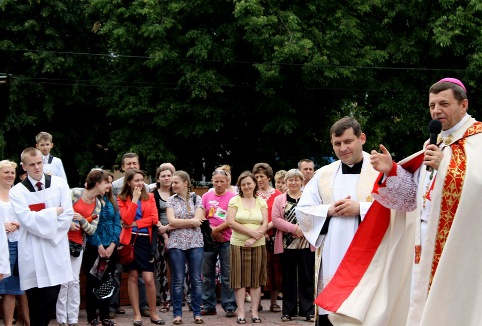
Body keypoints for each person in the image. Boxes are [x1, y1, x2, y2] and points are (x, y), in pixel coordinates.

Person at [317, 78, 482, 326]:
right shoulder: (433, 143)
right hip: (424, 242)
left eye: (444, 104)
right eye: (432, 105)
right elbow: (410, 200)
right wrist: (392, 171)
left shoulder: (477, 141)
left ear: (464, 104)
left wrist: (445, 167)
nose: (436, 111)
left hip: (460, 244)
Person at [295, 117, 378, 326]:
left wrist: (361, 208)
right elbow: (303, 211)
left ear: (362, 138)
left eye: (348, 141)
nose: (343, 148)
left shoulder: (380, 170)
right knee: (332, 314)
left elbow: (398, 209)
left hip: (371, 255)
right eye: (337, 144)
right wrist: (328, 210)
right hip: (333, 255)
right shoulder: (323, 174)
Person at [9, 147, 74, 326]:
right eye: (32, 165)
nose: (37, 167)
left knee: (51, 297)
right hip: (32, 250)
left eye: (39, 163)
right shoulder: (17, 191)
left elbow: (67, 215)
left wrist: (48, 225)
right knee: (36, 302)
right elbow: (26, 220)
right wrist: (53, 212)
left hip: (55, 246)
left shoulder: (59, 184)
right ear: (24, 167)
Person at [56, 169, 105, 326]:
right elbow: (58, 212)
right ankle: (62, 319)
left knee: (74, 280)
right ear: (97, 183)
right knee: (63, 281)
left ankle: (73, 319)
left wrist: (82, 220)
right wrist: (68, 223)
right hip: (61, 242)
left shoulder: (98, 204)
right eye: (106, 182)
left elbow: (92, 230)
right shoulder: (75, 193)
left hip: (78, 245)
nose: (109, 186)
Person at [118, 169, 164, 325]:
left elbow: (154, 219)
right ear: (129, 182)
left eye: (141, 180)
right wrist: (134, 200)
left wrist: (136, 223)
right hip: (130, 242)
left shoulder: (150, 197)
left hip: (145, 241)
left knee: (149, 279)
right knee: (132, 277)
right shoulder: (122, 199)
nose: (140, 183)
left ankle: (153, 314)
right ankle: (137, 314)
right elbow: (126, 218)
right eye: (136, 180)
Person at [110, 152, 150, 319]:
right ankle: (113, 306)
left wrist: (136, 224)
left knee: (141, 274)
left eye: (135, 163)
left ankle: (144, 306)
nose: (132, 166)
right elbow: (114, 210)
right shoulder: (115, 186)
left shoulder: (145, 186)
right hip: (121, 233)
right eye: (129, 164)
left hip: (139, 235)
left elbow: (150, 214)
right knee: (117, 272)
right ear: (123, 167)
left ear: (138, 165)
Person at [272, 168, 315, 322]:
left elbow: (315, 216)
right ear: (286, 182)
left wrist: (302, 230)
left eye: (297, 179)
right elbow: (276, 219)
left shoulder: (309, 198)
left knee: (307, 278)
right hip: (287, 245)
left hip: (305, 243)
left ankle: (308, 310)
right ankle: (288, 311)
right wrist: (293, 228)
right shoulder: (279, 200)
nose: (293, 182)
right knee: (288, 278)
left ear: (302, 181)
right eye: (290, 180)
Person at [227, 171, 268, 324]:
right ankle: (241, 312)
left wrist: (254, 237)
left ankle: (255, 312)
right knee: (240, 280)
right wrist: (250, 233)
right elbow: (231, 222)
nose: (246, 186)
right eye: (243, 184)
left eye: (249, 183)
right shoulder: (235, 201)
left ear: (254, 184)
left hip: (258, 244)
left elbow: (264, 223)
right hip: (238, 244)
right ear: (240, 186)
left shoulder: (261, 202)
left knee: (256, 280)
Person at [83, 171, 122, 326]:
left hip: (110, 246)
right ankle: (92, 316)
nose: (109, 185)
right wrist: (99, 245)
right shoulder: (91, 201)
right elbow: (88, 227)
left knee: (107, 282)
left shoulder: (112, 200)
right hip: (94, 246)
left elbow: (117, 223)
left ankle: (105, 316)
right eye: (106, 182)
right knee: (92, 282)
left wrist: (113, 244)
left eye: (110, 182)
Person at [166, 171, 205, 325]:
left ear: (185, 183)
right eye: (173, 182)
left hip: (195, 243)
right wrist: (190, 222)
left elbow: (199, 219)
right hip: (176, 243)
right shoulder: (171, 200)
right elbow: (171, 221)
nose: (173, 185)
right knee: (177, 280)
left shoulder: (197, 198)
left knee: (196, 279)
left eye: (176, 182)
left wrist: (178, 222)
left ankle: (197, 312)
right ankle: (177, 314)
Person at [200, 169, 237, 317]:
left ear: (227, 181)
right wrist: (212, 232)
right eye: (216, 181)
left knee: (227, 274)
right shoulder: (206, 196)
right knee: (207, 274)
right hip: (209, 240)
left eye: (222, 181)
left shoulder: (233, 197)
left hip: (227, 239)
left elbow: (232, 219)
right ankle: (208, 305)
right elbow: (201, 217)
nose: (219, 184)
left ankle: (229, 305)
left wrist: (217, 230)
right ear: (212, 181)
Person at [0, 160, 30, 326]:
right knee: (6, 287)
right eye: (6, 172)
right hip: (2, 245)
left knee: (18, 287)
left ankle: (22, 322)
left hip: (19, 243)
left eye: (12, 172)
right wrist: (2, 226)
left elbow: (28, 215)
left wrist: (18, 223)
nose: (10, 175)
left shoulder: (19, 194)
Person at [252, 162, 282, 313]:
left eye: (262, 176)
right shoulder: (252, 194)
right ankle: (256, 303)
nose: (259, 179)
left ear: (269, 177)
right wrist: (258, 232)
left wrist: (265, 230)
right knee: (257, 269)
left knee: (274, 268)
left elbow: (277, 216)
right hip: (254, 235)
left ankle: (274, 302)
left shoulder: (277, 194)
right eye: (256, 176)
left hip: (273, 235)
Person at [152, 164, 175, 313]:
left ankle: (185, 299)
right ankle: (165, 300)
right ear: (158, 179)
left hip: (177, 233)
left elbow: (180, 215)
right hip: (159, 235)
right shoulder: (153, 195)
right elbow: (153, 215)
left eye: (169, 175)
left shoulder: (177, 192)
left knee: (180, 269)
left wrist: (169, 229)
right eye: (163, 176)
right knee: (161, 269)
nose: (166, 178)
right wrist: (165, 234)